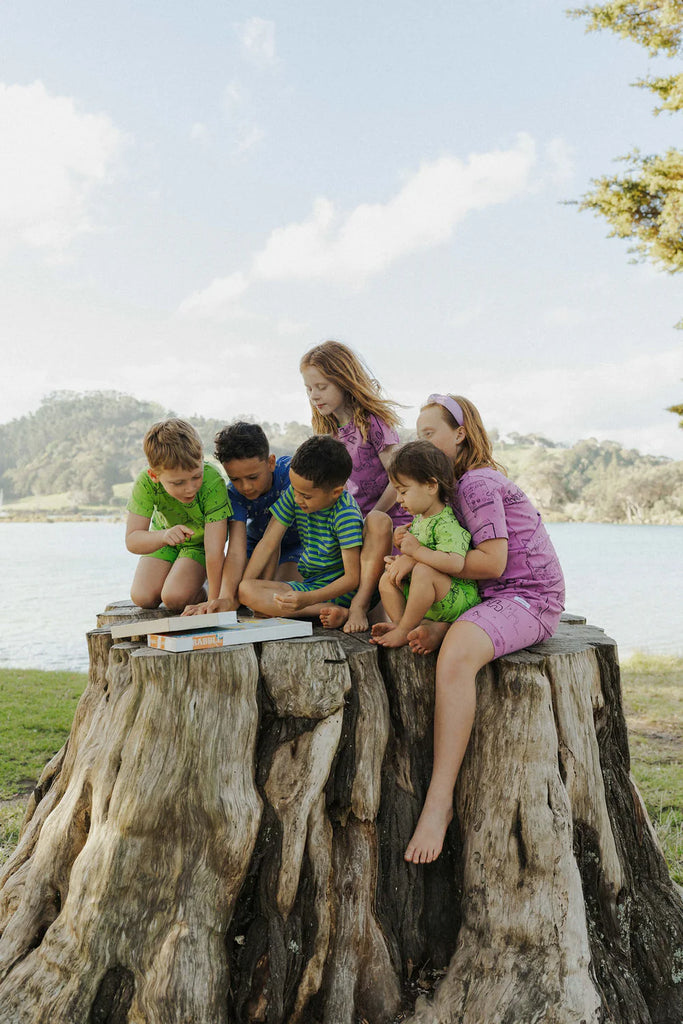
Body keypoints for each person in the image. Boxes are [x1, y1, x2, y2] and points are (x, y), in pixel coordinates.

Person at [403, 394, 565, 865]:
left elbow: (493, 563)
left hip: (528, 598)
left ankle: (439, 802)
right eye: (418, 433)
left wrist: (415, 554)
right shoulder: (447, 489)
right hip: (490, 596)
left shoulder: (474, 484)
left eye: (430, 432)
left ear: (460, 434)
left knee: (455, 657)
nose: (422, 440)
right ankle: (449, 627)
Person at [299, 339, 407, 632]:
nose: (314, 396)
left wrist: (367, 518)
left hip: (388, 524)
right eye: (309, 389)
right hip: (353, 527)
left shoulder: (373, 423)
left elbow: (400, 482)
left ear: (343, 381)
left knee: (374, 522)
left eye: (321, 387)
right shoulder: (328, 433)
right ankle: (339, 608)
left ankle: (356, 607)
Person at [238, 435, 364, 620]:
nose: (297, 499)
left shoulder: (346, 514)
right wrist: (246, 586)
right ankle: (320, 610)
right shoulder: (296, 493)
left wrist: (308, 598)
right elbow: (268, 542)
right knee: (247, 589)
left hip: (338, 592)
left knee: (265, 601)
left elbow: (352, 579)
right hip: (310, 585)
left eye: (306, 496)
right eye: (295, 490)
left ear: (335, 492)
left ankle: (333, 610)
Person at [183, 422, 302, 615]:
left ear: (270, 462)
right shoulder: (233, 495)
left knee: (280, 595)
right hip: (255, 547)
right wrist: (228, 598)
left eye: (253, 477)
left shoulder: (292, 474)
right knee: (237, 594)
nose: (246, 487)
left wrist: (246, 591)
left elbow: (273, 541)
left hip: (297, 545)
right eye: (236, 479)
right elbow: (236, 550)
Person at [370, 441, 480, 649]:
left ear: (431, 486)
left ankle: (404, 630)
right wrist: (401, 554)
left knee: (422, 571)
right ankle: (403, 624)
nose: (398, 499)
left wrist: (415, 552)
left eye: (403, 491)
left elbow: (455, 563)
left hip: (456, 598)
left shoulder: (446, 522)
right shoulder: (420, 519)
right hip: (430, 598)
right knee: (388, 577)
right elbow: (415, 555)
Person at [126, 418, 231, 611]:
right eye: (178, 483)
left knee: (174, 598)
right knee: (143, 597)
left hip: (200, 547)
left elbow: (214, 550)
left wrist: (213, 601)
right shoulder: (145, 483)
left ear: (201, 460)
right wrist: (163, 536)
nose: (190, 488)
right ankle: (180, 576)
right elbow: (132, 540)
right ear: (154, 476)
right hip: (165, 540)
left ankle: (202, 589)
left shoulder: (212, 481)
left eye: (196, 476)